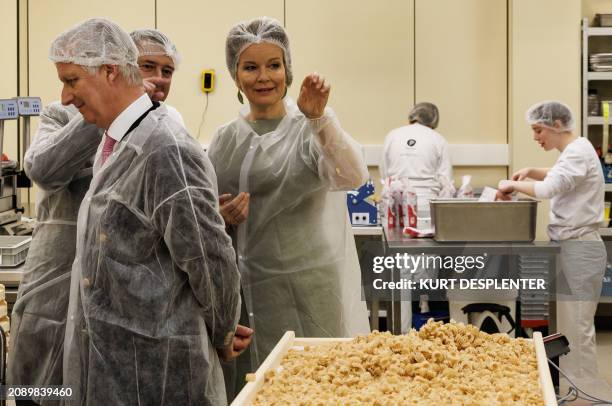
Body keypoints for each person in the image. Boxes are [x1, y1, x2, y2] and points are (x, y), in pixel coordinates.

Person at [49, 18, 248, 405]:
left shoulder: (165, 149)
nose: (65, 97)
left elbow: (210, 261)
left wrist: (223, 332)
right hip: (114, 371)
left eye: (72, 80)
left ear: (108, 71)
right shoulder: (116, 142)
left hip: (161, 374)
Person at [208, 16, 370, 397]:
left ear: (288, 70)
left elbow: (351, 175)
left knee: (316, 387)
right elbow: (203, 208)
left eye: (273, 65)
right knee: (253, 389)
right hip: (244, 293)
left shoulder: (308, 128)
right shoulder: (224, 139)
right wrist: (219, 216)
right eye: (251, 67)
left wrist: (319, 118)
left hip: (306, 287)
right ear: (235, 75)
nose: (263, 77)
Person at [497, 100, 612, 399]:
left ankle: (586, 394)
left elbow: (550, 189)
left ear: (557, 125)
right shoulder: (577, 150)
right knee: (571, 326)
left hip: (580, 249)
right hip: (571, 248)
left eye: (538, 130)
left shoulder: (577, 151)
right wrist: (533, 170)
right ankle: (575, 389)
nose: (536, 137)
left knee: (577, 327)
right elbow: (562, 175)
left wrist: (508, 183)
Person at [7, 103, 101, 406]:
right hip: (50, 302)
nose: (157, 80)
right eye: (146, 68)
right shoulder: (62, 116)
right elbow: (42, 168)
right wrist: (101, 115)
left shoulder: (157, 129)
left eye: (166, 72)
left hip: (103, 313)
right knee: (35, 393)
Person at [380, 102, 452, 333]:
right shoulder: (437, 139)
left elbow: (384, 174)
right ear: (434, 121)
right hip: (423, 210)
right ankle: (421, 332)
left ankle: (398, 334)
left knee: (398, 275)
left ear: (411, 117)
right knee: (423, 276)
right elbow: (446, 183)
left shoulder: (393, 135)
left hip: (395, 208)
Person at [130, 28, 185, 126]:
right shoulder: (101, 116)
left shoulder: (172, 118)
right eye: (148, 67)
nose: (159, 78)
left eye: (166, 71)